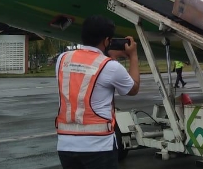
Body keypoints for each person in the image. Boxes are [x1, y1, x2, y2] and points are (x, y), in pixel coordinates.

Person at [55, 15, 140, 169]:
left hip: (66, 145)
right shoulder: (110, 67)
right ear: (107, 41)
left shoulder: (62, 59)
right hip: (98, 147)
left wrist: (109, 56)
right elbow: (133, 89)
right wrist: (133, 56)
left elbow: (86, 67)